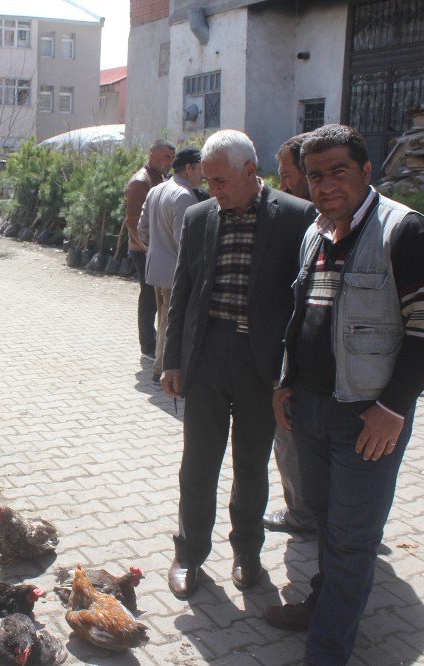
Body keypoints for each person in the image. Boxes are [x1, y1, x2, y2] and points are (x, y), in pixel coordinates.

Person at [265, 124, 424, 665]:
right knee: (324, 522)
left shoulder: (406, 232)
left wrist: (393, 409)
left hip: (368, 418)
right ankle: (326, 607)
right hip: (312, 410)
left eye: (338, 171)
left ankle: (327, 650)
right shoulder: (316, 231)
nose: (326, 184)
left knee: (352, 538)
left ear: (367, 172)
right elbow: (299, 317)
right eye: (316, 174)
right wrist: (285, 382)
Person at [161, 130, 314, 599]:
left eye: (222, 181)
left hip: (260, 366)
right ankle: (189, 554)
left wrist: (291, 375)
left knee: (251, 465)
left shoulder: (295, 216)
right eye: (207, 181)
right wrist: (172, 360)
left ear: (252, 172)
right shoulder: (199, 217)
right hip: (207, 358)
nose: (214, 191)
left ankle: (247, 552)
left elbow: (303, 303)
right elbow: (182, 291)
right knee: (198, 464)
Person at [263, 132, 316, 536]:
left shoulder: (308, 221)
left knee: (289, 430)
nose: (282, 184)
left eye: (287, 174)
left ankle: (302, 512)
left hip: (303, 354)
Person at [137, 146, 203, 383]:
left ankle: (161, 366)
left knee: (165, 319)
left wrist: (156, 249)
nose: (203, 175)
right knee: (170, 321)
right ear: (189, 168)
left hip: (156, 268)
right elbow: (184, 241)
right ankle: (161, 369)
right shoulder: (184, 196)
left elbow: (141, 229)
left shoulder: (157, 190)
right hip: (175, 273)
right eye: (200, 169)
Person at [124, 139, 175, 358]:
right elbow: (132, 222)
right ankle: (147, 346)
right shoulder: (140, 181)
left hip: (155, 248)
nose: (170, 162)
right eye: (166, 157)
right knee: (149, 297)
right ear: (152, 155)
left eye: (172, 158)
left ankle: (154, 341)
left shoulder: (160, 178)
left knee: (157, 298)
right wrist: (147, 248)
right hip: (143, 249)